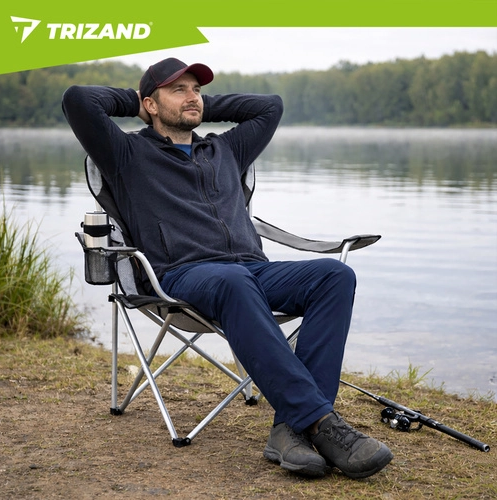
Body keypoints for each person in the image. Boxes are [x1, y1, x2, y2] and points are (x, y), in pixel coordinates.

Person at [62, 57, 393, 479]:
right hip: (182, 276)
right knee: (234, 281)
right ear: (150, 103)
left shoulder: (226, 149)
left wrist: (193, 108)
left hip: (251, 270)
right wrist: (140, 104)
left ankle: (290, 430)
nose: (193, 97)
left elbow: (269, 106)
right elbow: (78, 100)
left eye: (197, 90)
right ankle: (321, 424)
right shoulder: (127, 154)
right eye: (179, 90)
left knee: (334, 276)